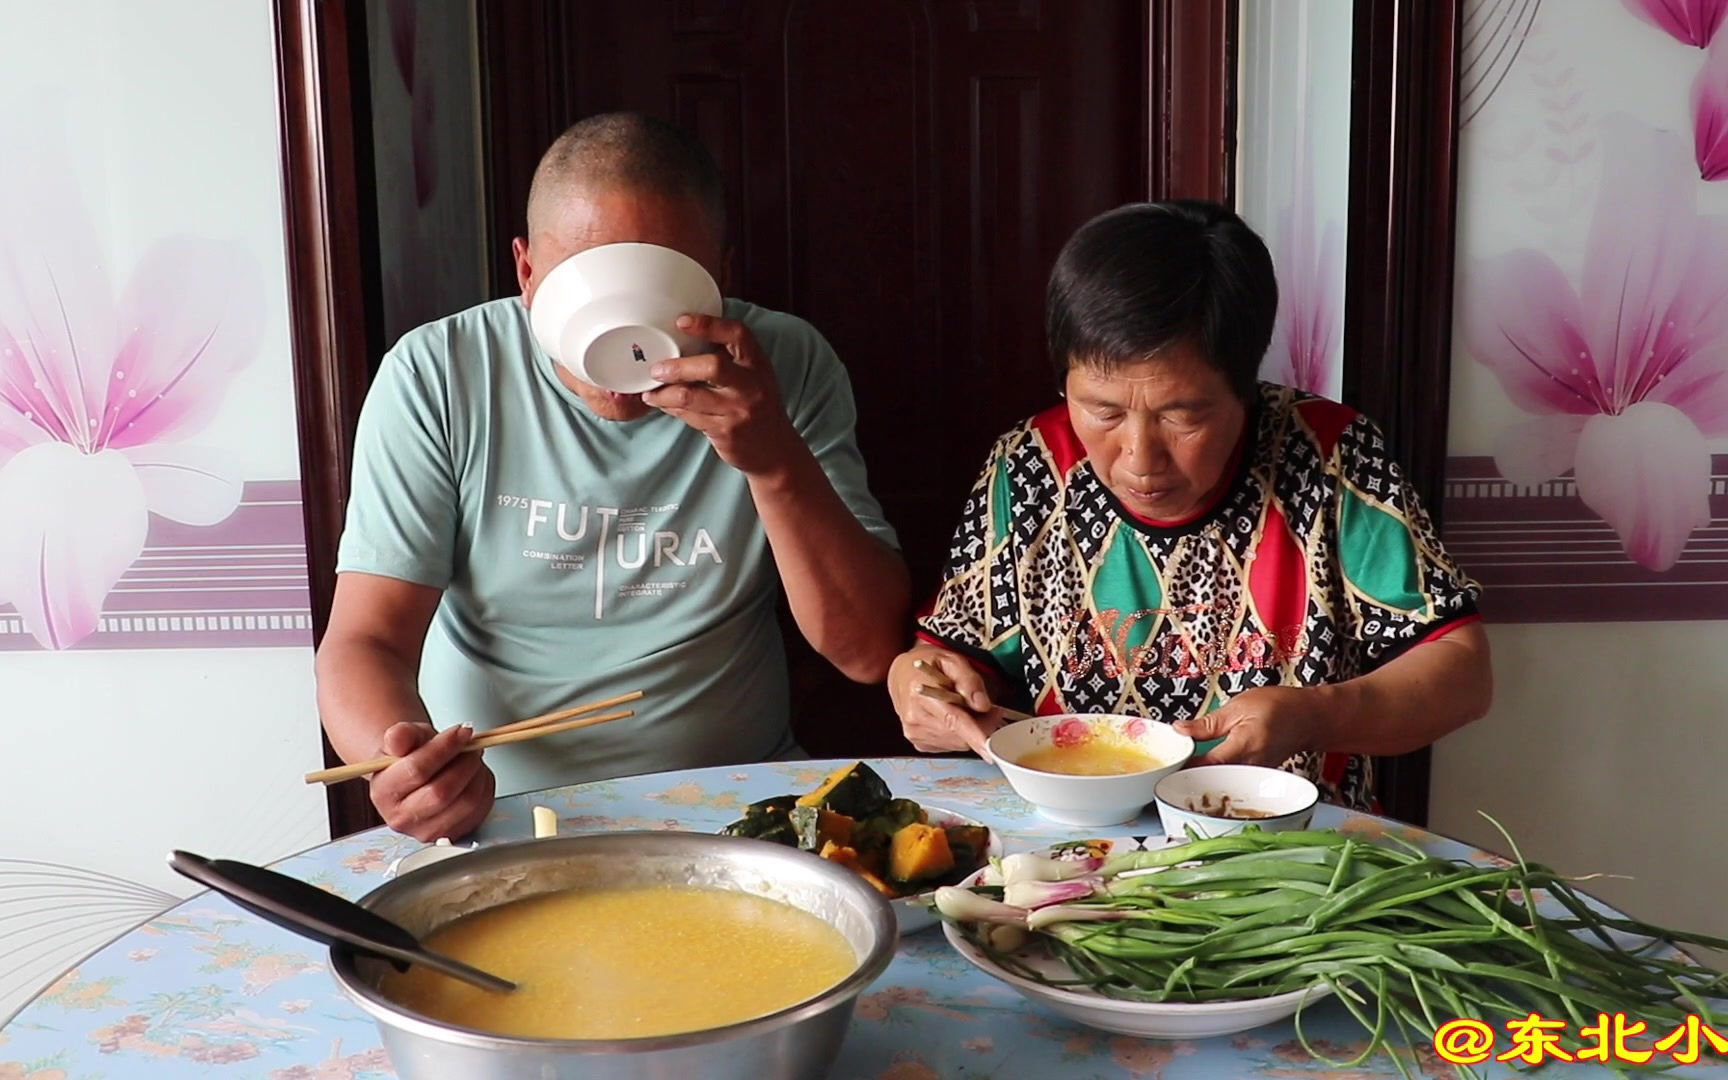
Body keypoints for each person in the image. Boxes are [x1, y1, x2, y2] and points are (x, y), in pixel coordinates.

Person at [317, 113, 911, 841]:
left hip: (738, 807)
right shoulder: (442, 373)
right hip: (504, 814)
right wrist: (403, 765)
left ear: (721, 274)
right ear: (527, 272)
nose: (622, 364)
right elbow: (364, 639)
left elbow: (867, 652)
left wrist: (773, 458)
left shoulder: (783, 367)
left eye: (662, 296)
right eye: (585, 293)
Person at [887, 200, 1491, 810]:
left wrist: (1314, 716)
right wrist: (920, 683)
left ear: (1246, 387)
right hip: (1064, 851)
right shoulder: (1030, 462)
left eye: (1183, 416)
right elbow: (951, 655)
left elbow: (1460, 674)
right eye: (1104, 411)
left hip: (1286, 855)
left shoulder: (1330, 455)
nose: (1140, 458)